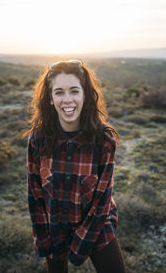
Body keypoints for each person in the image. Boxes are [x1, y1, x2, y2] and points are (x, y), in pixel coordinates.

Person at [23, 60, 127, 273]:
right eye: (59, 92)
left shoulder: (103, 141)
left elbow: (102, 200)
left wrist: (80, 245)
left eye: (74, 91)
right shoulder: (38, 140)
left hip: (97, 226)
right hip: (55, 226)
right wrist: (44, 239)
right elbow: (35, 195)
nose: (67, 99)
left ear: (85, 95)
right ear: (50, 99)